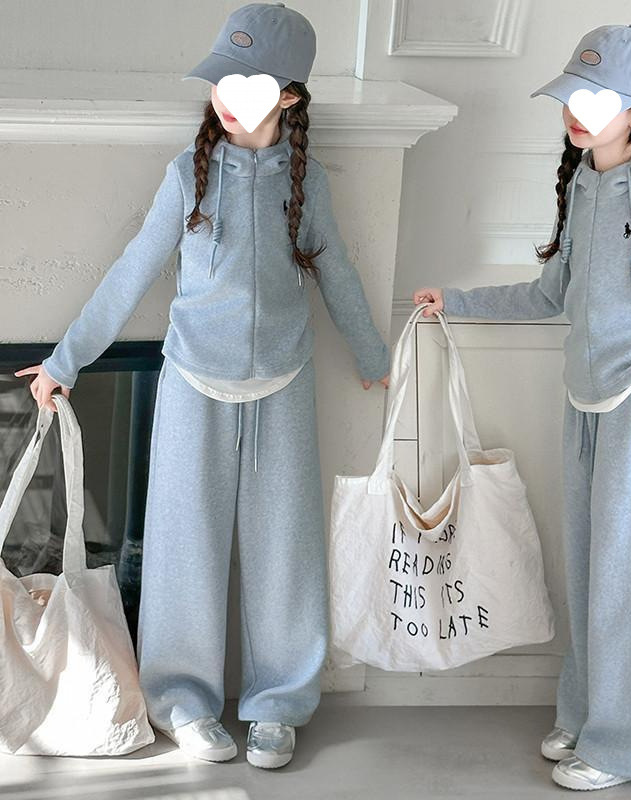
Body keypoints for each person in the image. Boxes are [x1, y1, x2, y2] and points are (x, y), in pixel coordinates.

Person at [15, 1, 390, 770]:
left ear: (289, 95)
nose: (228, 94)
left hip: (283, 386)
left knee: (285, 550)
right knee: (184, 547)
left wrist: (371, 352)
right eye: (223, 78)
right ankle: (182, 699)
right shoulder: (186, 176)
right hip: (193, 383)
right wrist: (65, 361)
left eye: (250, 82)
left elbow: (338, 271)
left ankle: (278, 701)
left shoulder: (307, 183)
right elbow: (132, 272)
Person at [413, 24, 631, 792]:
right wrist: (458, 300)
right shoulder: (582, 183)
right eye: (573, 96)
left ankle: (627, 747)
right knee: (588, 574)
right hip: (582, 403)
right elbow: (551, 294)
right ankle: (584, 715)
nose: (576, 112)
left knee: (629, 584)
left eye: (597, 100)